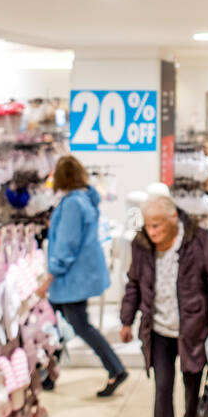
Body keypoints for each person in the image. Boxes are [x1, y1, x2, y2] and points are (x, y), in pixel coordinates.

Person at [120, 194, 208, 417]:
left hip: (193, 328)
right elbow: (133, 282)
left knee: (192, 381)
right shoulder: (142, 245)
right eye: (148, 226)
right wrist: (126, 319)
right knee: (162, 390)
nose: (152, 232)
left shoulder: (199, 240)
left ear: (173, 220)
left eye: (157, 225)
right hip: (158, 332)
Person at [44, 154, 129, 397]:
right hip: (75, 276)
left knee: (78, 324)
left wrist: (49, 276)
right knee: (53, 320)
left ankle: (115, 368)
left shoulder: (72, 204)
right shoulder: (85, 199)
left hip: (71, 278)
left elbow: (66, 245)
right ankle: (49, 372)